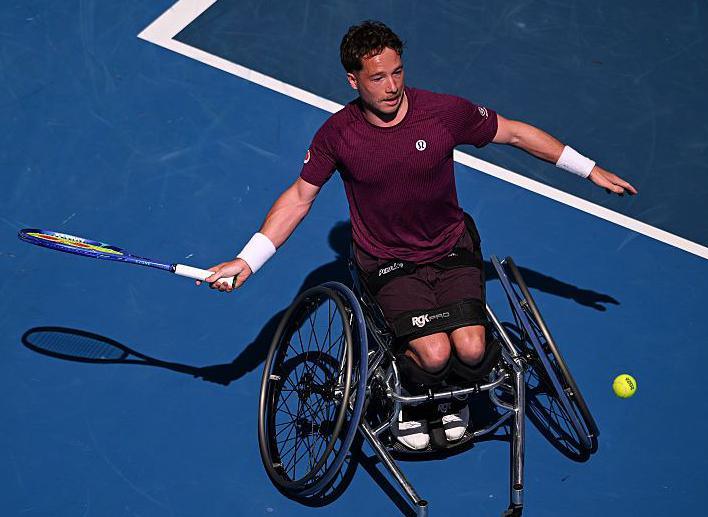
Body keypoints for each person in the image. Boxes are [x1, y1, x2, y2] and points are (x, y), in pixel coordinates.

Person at [201, 20, 636, 450]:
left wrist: (589, 169)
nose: (391, 86)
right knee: (433, 354)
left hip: (450, 247)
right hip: (388, 260)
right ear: (353, 81)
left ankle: (454, 400)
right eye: (377, 78)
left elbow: (516, 133)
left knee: (469, 348)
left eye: (397, 72)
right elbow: (299, 197)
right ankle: (414, 404)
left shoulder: (441, 113)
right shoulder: (338, 135)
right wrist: (248, 259)